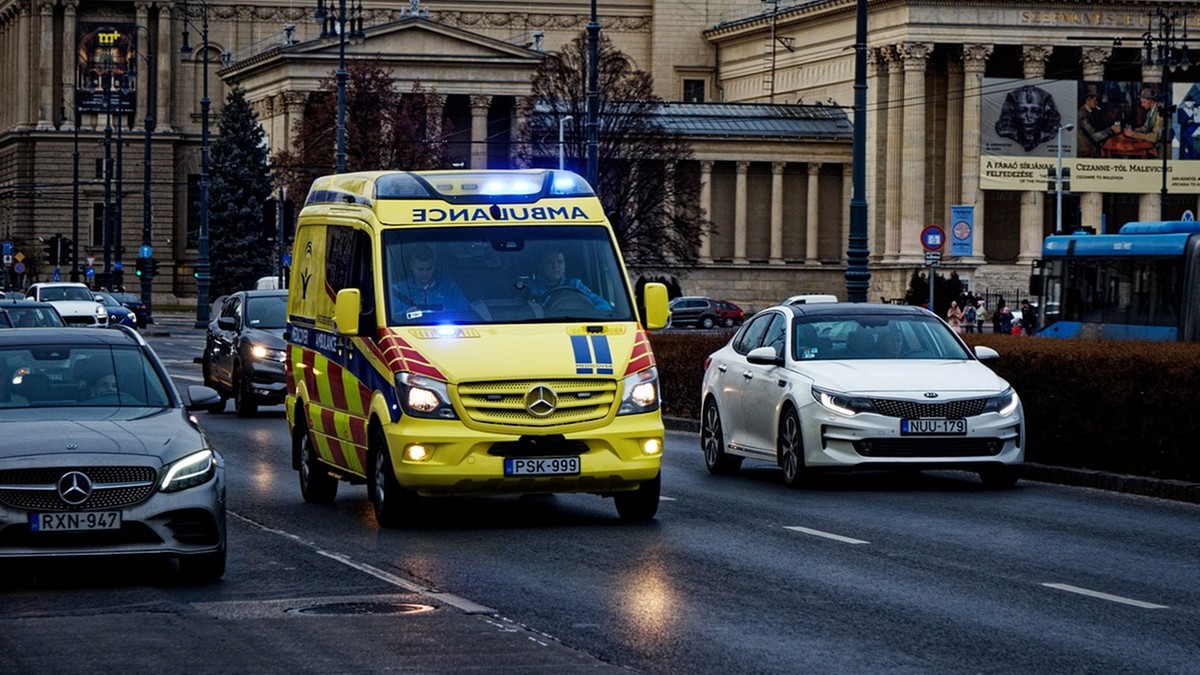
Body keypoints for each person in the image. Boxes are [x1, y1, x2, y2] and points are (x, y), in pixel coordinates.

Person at [390, 244, 470, 319]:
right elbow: (388, 317)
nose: (425, 273)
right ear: (412, 266)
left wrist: (447, 312)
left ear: (434, 266)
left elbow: (466, 312)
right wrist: (405, 315)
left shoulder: (449, 287)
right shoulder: (398, 290)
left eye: (429, 268)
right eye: (420, 269)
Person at [525, 248, 612, 311]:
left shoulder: (575, 285)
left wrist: (588, 314)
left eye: (559, 262)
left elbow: (604, 305)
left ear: (564, 265)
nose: (555, 266)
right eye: (549, 262)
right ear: (541, 265)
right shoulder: (530, 288)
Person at [1124, 88, 1165, 156]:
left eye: (1144, 102)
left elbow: (1154, 137)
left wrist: (1133, 134)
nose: (1142, 105)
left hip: (1162, 149)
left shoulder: (1160, 111)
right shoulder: (1151, 110)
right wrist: (1132, 131)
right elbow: (1145, 128)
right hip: (1154, 146)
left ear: (1151, 101)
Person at [1077, 86, 1114, 158]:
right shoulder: (1082, 115)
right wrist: (1111, 130)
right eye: (1094, 100)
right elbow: (1094, 136)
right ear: (1088, 100)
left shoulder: (1089, 112)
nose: (1096, 103)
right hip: (1086, 151)